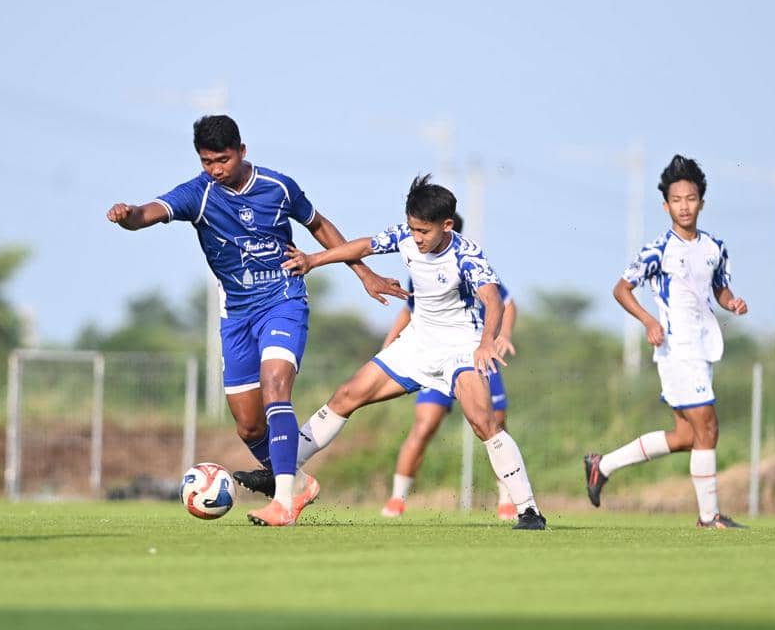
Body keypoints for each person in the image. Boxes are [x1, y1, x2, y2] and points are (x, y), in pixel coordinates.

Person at [106, 115, 405, 527]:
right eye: (207, 161)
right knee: (248, 426)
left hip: (284, 299)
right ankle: (296, 483)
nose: (215, 169)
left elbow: (318, 225)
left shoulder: (278, 187)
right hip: (237, 316)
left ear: (242, 151)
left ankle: (282, 502)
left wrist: (365, 274)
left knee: (275, 386)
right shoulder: (199, 193)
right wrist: (129, 215)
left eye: (222, 160)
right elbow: (149, 212)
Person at [279, 174, 547, 530]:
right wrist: (315, 259)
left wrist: (486, 343)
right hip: (417, 343)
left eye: (424, 231)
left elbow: (492, 300)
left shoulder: (467, 256)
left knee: (484, 423)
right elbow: (363, 246)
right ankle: (279, 472)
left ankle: (529, 510)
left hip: (460, 348)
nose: (416, 238)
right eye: (412, 228)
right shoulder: (405, 236)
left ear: (446, 225)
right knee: (347, 395)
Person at [583, 155, 748, 529]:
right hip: (676, 349)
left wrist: (732, 303)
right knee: (708, 427)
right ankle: (709, 518)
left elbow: (720, 289)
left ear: (702, 201)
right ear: (666, 205)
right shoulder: (658, 249)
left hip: (704, 347)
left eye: (691, 198)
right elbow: (621, 289)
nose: (684, 206)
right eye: (677, 200)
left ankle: (602, 465)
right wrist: (648, 321)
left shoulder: (714, 247)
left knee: (687, 436)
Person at [377, 213, 520, 521]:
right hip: (434, 356)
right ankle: (396, 500)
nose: (420, 239)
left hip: (473, 356)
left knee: (495, 424)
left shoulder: (473, 265)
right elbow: (410, 311)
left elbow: (505, 304)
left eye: (426, 231)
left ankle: (509, 499)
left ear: (448, 231)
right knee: (424, 425)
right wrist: (390, 343)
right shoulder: (421, 267)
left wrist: (502, 336)